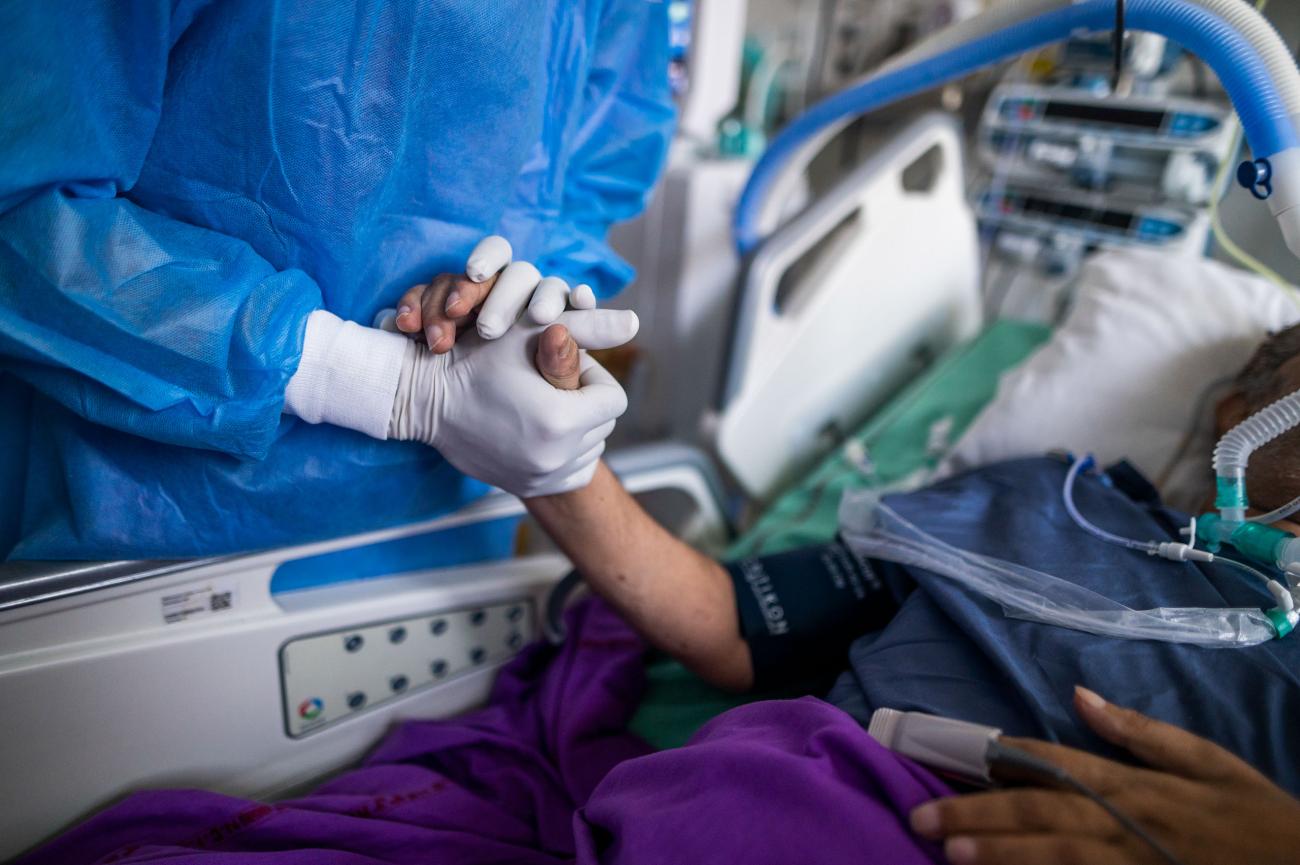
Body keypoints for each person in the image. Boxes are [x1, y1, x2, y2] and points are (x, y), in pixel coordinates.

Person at [515, 322, 1300, 863]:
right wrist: (550, 461)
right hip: (834, 804)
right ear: (1240, 416)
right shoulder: (1051, 499)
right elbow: (728, 624)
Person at [0, 0, 674, 561]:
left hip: (453, 520)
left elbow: (586, 174)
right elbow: (21, 212)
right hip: (140, 520)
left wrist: (519, 309)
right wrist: (371, 380)